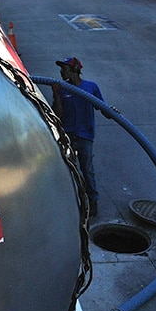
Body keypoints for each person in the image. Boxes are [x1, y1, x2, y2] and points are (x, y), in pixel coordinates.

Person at [52, 57, 105, 217]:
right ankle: (72, 203)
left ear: (74, 70)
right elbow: (58, 115)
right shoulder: (62, 88)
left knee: (87, 170)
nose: (61, 71)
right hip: (67, 135)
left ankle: (93, 201)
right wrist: (56, 95)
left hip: (85, 136)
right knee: (68, 170)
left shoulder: (90, 87)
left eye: (64, 68)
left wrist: (112, 112)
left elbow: (101, 106)